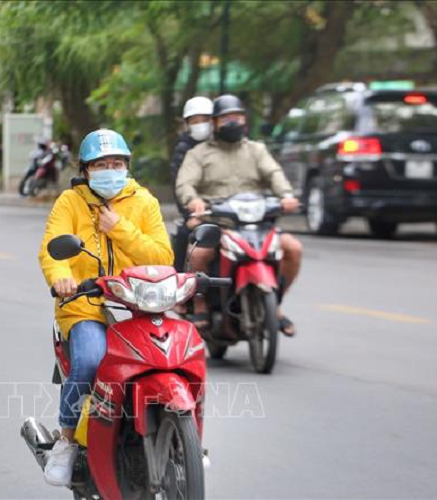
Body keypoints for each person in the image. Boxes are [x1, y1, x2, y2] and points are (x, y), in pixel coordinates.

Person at [38, 129, 173, 487]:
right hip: (85, 306)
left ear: (127, 166)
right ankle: (66, 440)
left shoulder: (144, 202)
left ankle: (178, 435)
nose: (109, 170)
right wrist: (62, 278)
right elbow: (53, 248)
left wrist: (121, 229)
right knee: (90, 360)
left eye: (116, 163)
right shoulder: (70, 202)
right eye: (101, 164)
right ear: (85, 170)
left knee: (174, 356)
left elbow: (163, 257)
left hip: (138, 306)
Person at [175, 94, 302, 336]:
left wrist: (286, 195)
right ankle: (200, 304)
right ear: (214, 122)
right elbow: (185, 184)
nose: (232, 122)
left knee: (293, 248)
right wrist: (194, 201)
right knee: (199, 253)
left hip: (257, 223)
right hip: (219, 223)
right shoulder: (199, 153)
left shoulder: (256, 150)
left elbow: (275, 174)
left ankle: (276, 305)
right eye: (225, 118)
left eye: (237, 117)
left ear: (245, 120)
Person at [171, 96, 213, 271]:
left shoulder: (226, 144)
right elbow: (180, 184)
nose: (200, 124)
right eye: (195, 121)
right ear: (187, 124)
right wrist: (190, 211)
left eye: (205, 120)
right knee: (184, 235)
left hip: (231, 210)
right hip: (197, 210)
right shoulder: (184, 149)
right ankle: (179, 284)